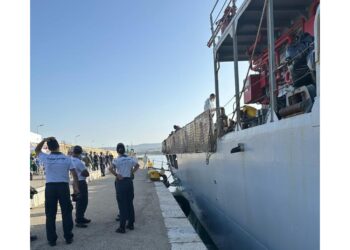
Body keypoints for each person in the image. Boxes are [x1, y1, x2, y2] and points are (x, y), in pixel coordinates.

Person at [35, 137, 80, 246]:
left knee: (50, 214)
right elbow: (74, 175)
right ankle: (68, 237)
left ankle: (52, 240)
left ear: (49, 148)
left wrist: (44, 140)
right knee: (66, 212)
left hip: (50, 188)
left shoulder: (46, 158)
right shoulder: (67, 159)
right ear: (58, 146)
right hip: (63, 187)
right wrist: (76, 189)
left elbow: (37, 150)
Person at [109, 143, 139, 233]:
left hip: (121, 182)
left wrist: (117, 175)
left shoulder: (116, 160)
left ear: (117, 151)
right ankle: (131, 224)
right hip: (129, 182)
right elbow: (137, 166)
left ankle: (122, 227)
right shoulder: (130, 159)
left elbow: (110, 168)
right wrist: (132, 173)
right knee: (130, 203)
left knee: (122, 205)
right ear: (124, 150)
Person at [71, 145, 91, 228]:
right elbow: (86, 173)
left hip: (75, 182)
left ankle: (81, 217)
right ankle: (79, 220)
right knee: (83, 201)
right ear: (80, 152)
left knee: (79, 201)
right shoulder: (79, 162)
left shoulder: (71, 159)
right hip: (81, 182)